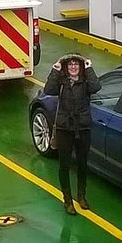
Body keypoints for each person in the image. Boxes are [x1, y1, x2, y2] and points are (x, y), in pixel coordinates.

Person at [43, 53, 100, 215]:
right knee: (65, 165)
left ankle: (81, 196)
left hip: (82, 128)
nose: (73, 67)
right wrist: (55, 69)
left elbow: (96, 87)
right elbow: (48, 90)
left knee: (82, 164)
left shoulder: (86, 82)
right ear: (66, 68)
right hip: (64, 129)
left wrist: (89, 69)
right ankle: (67, 200)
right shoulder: (60, 83)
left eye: (77, 64)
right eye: (70, 64)